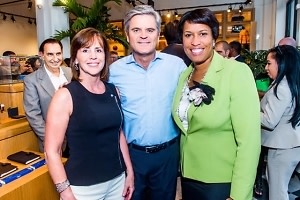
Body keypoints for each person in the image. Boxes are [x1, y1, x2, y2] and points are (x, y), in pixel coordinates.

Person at [172, 8, 261, 200]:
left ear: (214, 38)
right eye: (188, 35)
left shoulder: (236, 72)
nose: (195, 41)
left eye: (202, 34)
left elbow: (249, 142)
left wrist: (238, 195)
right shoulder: (184, 76)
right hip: (189, 178)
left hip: (221, 183)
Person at [44, 27, 134, 200]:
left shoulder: (113, 90)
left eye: (98, 50)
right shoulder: (65, 95)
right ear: (75, 58)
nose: (93, 56)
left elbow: (119, 134)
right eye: (85, 50)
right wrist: (65, 192)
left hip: (117, 182)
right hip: (82, 189)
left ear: (105, 57)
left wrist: (129, 171)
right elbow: (51, 151)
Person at [109, 5, 186, 200]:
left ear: (158, 34)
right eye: (136, 30)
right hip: (131, 157)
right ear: (127, 35)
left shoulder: (176, 66)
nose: (143, 35)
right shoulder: (114, 71)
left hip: (167, 155)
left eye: (149, 30)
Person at [254, 36, 298, 197]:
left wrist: (249, 110)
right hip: (288, 145)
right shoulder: (289, 82)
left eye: (269, 63)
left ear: (281, 64)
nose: (266, 67)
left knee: (277, 192)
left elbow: (269, 120)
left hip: (283, 147)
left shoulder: (282, 87)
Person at [23, 38, 72, 152]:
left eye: (58, 54)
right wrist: (51, 140)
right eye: (50, 54)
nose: (55, 59)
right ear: (42, 55)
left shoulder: (70, 73)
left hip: (78, 138)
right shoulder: (32, 80)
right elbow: (33, 114)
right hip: (55, 143)